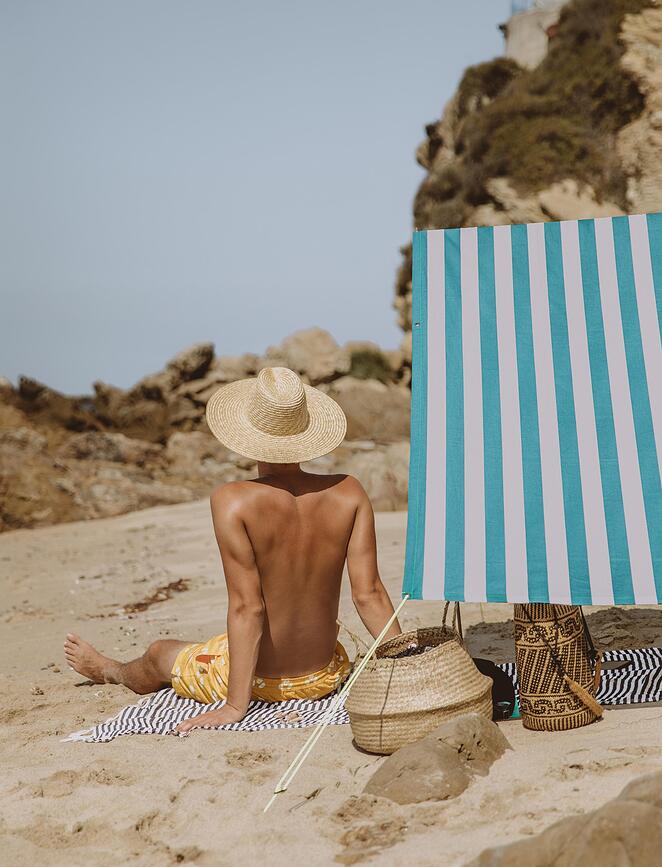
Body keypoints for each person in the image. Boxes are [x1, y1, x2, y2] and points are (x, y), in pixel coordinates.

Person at [64, 366, 401, 734]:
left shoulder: (233, 501)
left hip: (263, 685)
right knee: (214, 645)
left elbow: (247, 607)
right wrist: (407, 664)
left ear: (248, 434)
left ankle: (109, 671)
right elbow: (369, 594)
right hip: (325, 674)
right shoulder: (349, 491)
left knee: (161, 653)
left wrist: (236, 706)